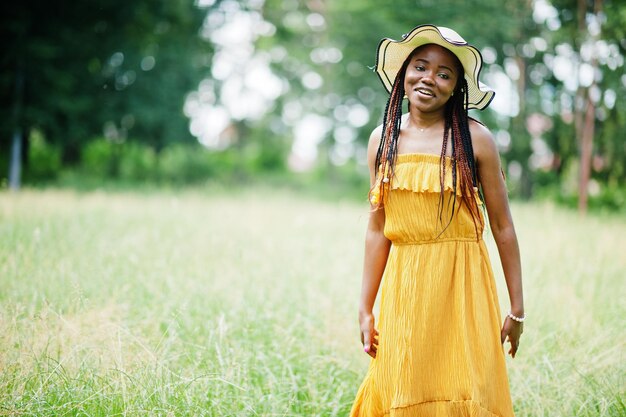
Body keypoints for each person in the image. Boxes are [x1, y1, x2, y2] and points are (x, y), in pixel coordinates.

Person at [350, 25, 524, 417]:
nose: (429, 78)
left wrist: (517, 309)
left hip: (463, 283)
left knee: (465, 385)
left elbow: (504, 227)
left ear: (456, 88)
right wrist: (365, 307)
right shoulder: (382, 139)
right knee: (402, 383)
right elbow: (377, 229)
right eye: (420, 66)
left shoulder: (476, 139)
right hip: (406, 285)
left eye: (444, 73)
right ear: (403, 74)